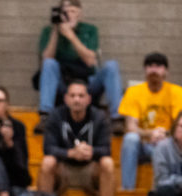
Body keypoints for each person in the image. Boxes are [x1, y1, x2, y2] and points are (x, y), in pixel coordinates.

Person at [35, 0, 123, 132]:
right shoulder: (49, 31)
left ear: (79, 14)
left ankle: (117, 118)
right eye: (65, 12)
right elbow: (46, 60)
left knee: (112, 65)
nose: (69, 15)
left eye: (73, 11)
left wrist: (71, 36)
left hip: (88, 83)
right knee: (49, 63)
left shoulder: (90, 30)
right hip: (63, 84)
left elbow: (90, 61)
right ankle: (45, 116)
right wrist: (56, 32)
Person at [38, 80, 114, 196]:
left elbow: (106, 149)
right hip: (64, 169)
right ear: (66, 99)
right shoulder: (55, 116)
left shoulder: (99, 117)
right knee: (47, 162)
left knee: (108, 163)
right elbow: (48, 148)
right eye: (72, 96)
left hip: (90, 168)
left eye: (81, 96)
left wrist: (90, 152)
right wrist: (71, 153)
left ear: (88, 99)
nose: (77, 100)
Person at [118, 53, 182, 190]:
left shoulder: (177, 91)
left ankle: (161, 191)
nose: (153, 69)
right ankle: (127, 190)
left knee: (165, 144)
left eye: (158, 66)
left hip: (168, 145)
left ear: (166, 71)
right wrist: (151, 133)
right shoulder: (134, 92)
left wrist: (165, 134)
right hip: (142, 145)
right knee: (130, 138)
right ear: (145, 70)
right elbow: (130, 126)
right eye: (149, 66)